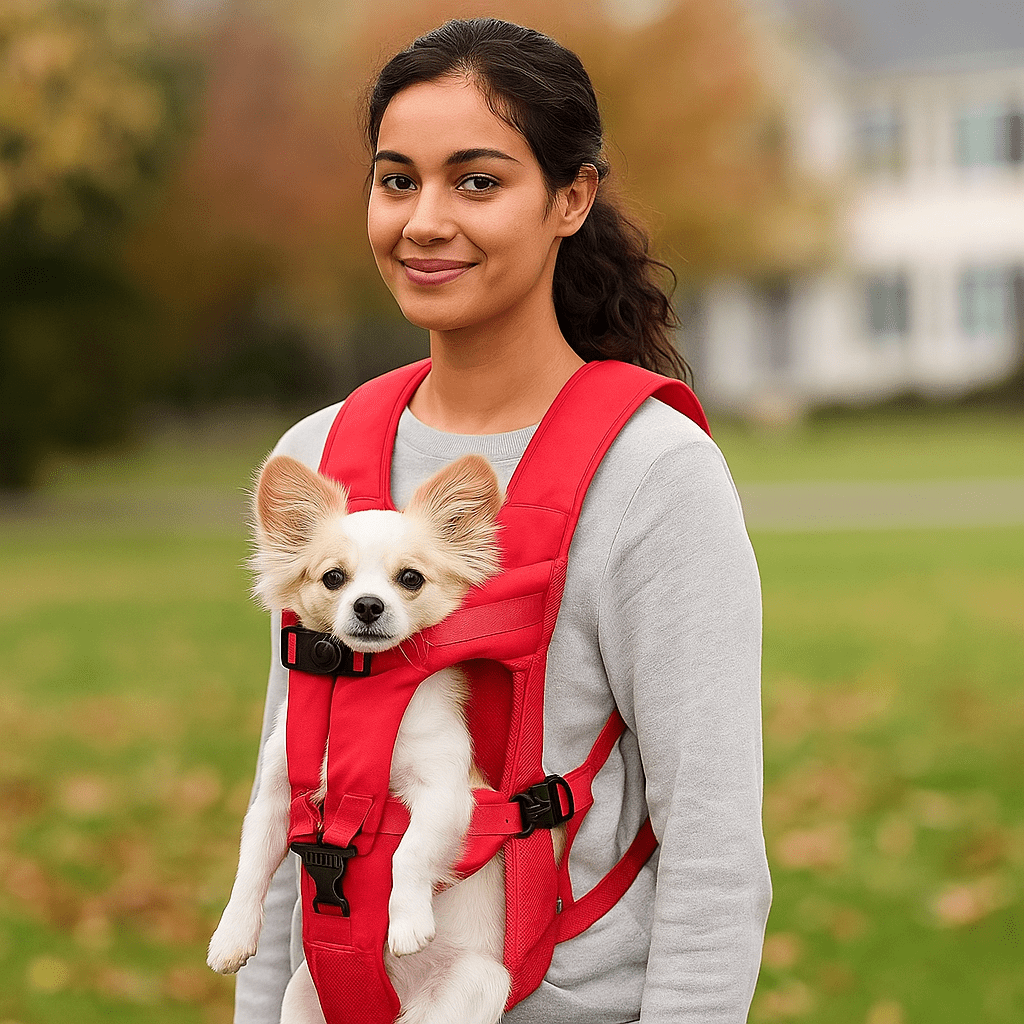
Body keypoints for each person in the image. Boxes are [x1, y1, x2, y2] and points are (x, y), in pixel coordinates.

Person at [233, 17, 770, 1024]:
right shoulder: (317, 456)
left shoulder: (655, 475)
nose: (424, 220)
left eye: (476, 181)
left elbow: (712, 843)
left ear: (571, 199)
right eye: (397, 180)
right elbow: (299, 793)